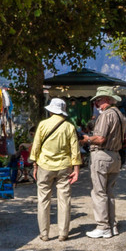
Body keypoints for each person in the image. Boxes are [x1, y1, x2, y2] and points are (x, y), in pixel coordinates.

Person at [31, 97, 82, 242]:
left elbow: (36, 146)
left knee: (43, 200)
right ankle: (63, 233)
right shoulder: (69, 127)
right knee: (64, 200)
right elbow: (75, 149)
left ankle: (44, 234)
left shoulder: (43, 125)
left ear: (51, 110)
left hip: (44, 165)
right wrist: (76, 169)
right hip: (64, 166)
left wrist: (35, 165)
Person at [80, 87, 126, 238]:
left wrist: (87, 139)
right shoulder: (120, 115)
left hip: (102, 155)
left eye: (98, 100)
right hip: (115, 156)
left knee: (99, 192)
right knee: (109, 193)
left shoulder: (106, 115)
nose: (96, 103)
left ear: (107, 99)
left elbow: (100, 139)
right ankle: (112, 225)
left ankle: (103, 226)